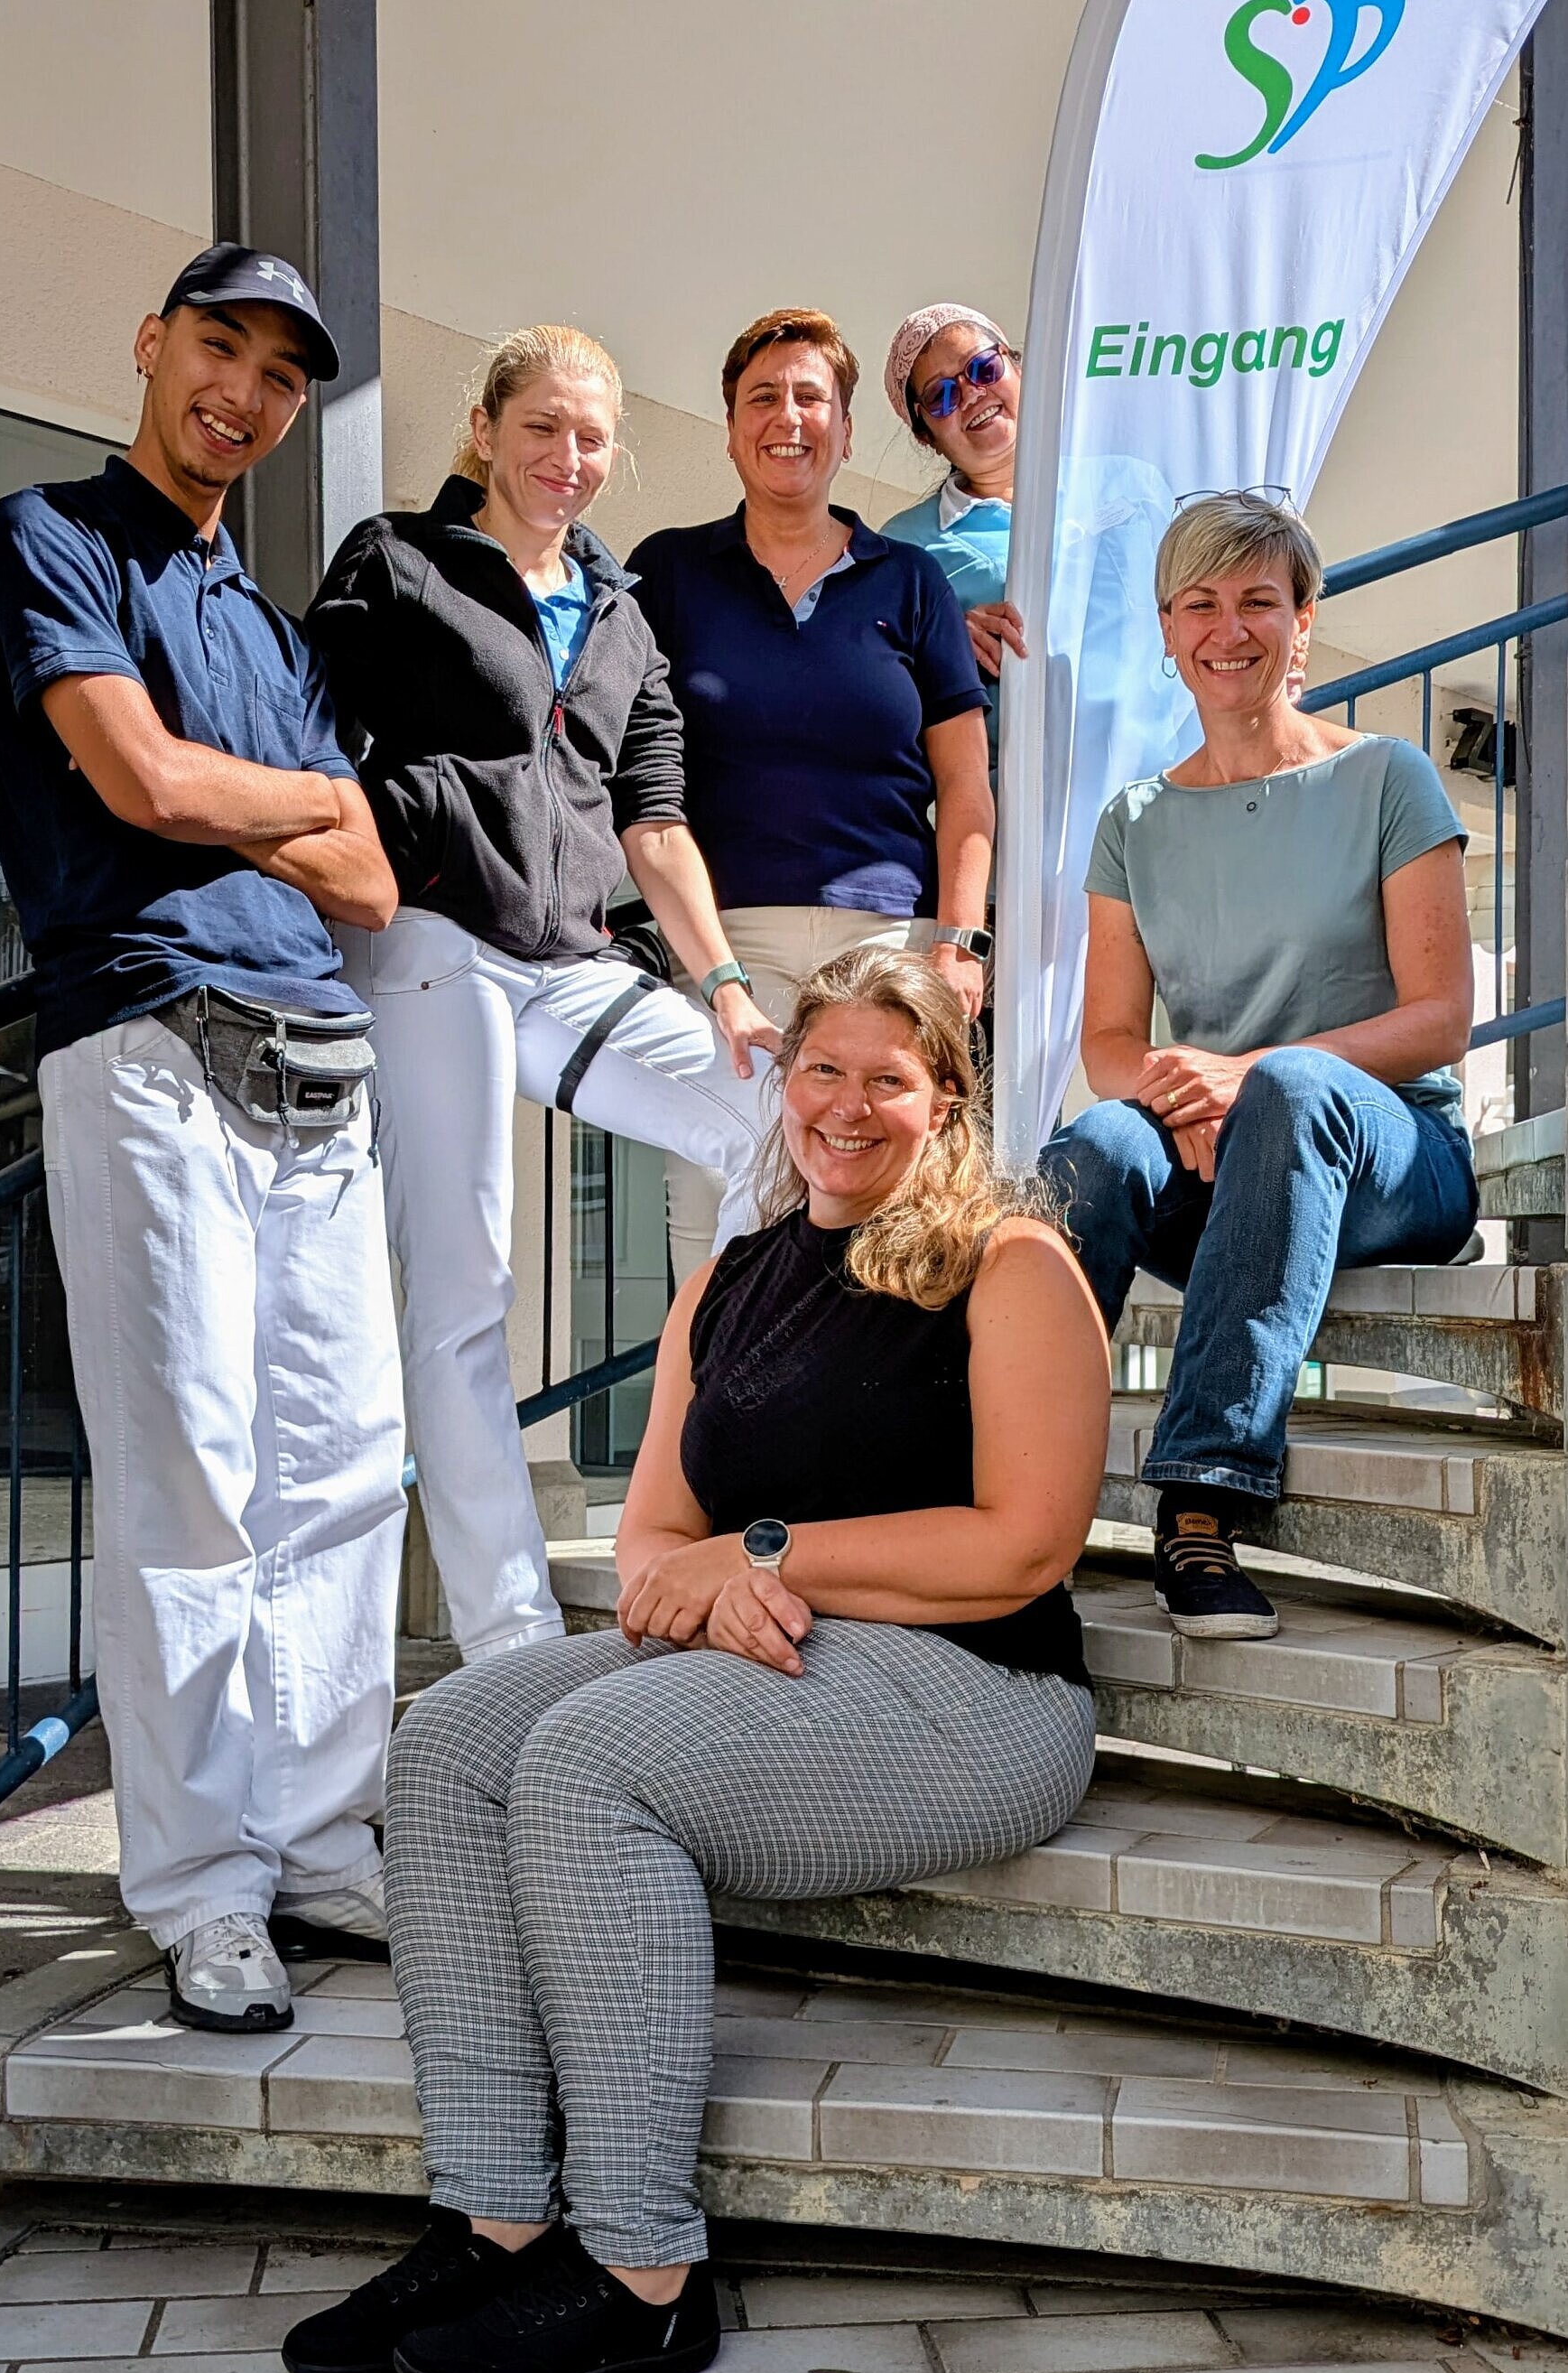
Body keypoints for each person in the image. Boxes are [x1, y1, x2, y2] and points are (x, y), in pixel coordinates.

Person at [282, 945, 1109, 2373]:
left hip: (977, 1692)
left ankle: (647, 2275)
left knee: (590, 1758)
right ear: (782, 1080)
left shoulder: (1011, 1260)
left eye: (887, 1078)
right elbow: (659, 1534)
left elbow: (1020, 1544)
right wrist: (728, 1577)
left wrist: (766, 1555)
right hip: (788, 1655)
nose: (846, 1106)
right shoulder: (732, 1273)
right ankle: (495, 2213)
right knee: (454, 1734)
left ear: (948, 1099)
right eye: (822, 1069)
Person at [0, 246, 410, 2032]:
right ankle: (203, 1883)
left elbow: (374, 878)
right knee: (193, 1479)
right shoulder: (48, 534)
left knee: (342, 1476)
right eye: (216, 346)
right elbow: (139, 783)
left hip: (323, 1061)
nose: (241, 389)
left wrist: (275, 811)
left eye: (280, 374)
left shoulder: (275, 631)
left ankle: (317, 1837)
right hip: (150, 1046)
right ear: (153, 345)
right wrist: (294, 807)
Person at [306, 327, 779, 1668]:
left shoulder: (621, 611)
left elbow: (656, 822)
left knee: (768, 1121)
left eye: (589, 437)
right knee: (469, 1287)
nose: (566, 459)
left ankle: (686, 1493)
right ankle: (507, 1633)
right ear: (484, 426)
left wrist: (728, 990)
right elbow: (309, 737)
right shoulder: (397, 560)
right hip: (431, 938)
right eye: (542, 429)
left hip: (571, 959)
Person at [1042, 490, 1477, 1640]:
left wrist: (1245, 1076)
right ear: (1168, 628)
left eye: (1256, 601)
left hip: (1395, 1152)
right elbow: (1107, 1044)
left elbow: (1438, 1019)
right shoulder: (1134, 819)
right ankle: (1018, 1495)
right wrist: (1176, 1090)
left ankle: (1198, 1500)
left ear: (1303, 618)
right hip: (1222, 1153)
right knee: (1090, 1145)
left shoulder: (1386, 777)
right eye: (1199, 603)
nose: (1227, 628)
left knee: (1286, 1089)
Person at [627, 310, 996, 1278]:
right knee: (719, 1217)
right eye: (764, 397)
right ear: (730, 424)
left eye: (811, 398)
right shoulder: (666, 571)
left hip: (887, 948)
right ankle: (699, 1425)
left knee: (887, 1217)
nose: (787, 417)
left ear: (840, 427)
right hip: (725, 949)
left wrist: (960, 943)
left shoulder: (909, 581)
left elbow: (965, 787)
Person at [880, 302, 1030, 753]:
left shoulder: (1125, 484)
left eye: (983, 368)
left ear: (1017, 365)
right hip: (1009, 808)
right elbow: (869, 679)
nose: (971, 394)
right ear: (926, 434)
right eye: (941, 395)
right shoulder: (902, 548)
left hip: (1164, 797)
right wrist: (939, 645)